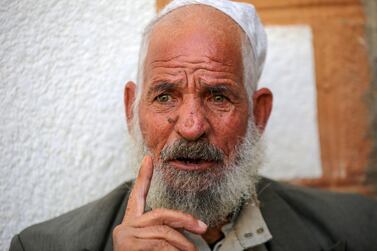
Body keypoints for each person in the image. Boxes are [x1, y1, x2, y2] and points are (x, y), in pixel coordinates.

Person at [9, 0, 377, 250]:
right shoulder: (43, 245)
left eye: (218, 96)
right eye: (165, 96)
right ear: (131, 109)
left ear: (258, 114)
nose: (190, 126)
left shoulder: (360, 226)